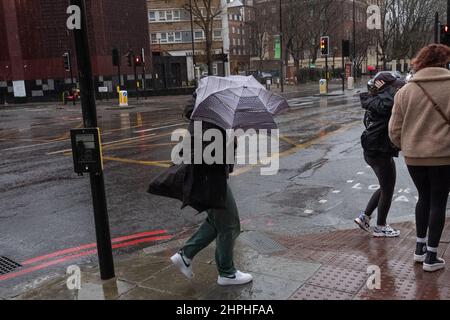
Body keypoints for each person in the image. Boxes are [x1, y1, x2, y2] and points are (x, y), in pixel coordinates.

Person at [169, 94, 253, 286]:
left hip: (206, 176)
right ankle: (227, 272)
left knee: (217, 220)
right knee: (230, 223)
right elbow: (211, 151)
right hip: (208, 178)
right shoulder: (209, 117)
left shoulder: (210, 115)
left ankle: (185, 255)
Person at [389, 44, 450, 272]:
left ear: (420, 62)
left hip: (414, 157)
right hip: (444, 156)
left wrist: (406, 145)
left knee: (423, 197)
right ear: (444, 61)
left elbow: (394, 130)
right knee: (438, 201)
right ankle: (432, 257)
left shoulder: (405, 91)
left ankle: (419, 248)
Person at [354, 73, 405, 237]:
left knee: (386, 186)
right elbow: (391, 104)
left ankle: (365, 217)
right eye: (393, 86)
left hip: (375, 148)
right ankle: (381, 226)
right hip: (378, 150)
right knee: (387, 188)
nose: (396, 88)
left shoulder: (376, 100)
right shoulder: (385, 102)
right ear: (385, 87)